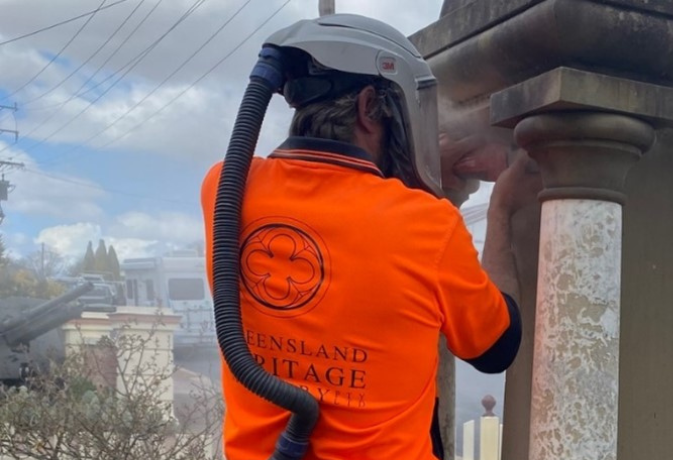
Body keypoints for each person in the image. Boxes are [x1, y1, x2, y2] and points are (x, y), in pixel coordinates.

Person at [199, 14, 523, 460]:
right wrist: (502, 209)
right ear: (371, 107)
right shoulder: (427, 225)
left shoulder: (224, 189)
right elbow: (494, 348)